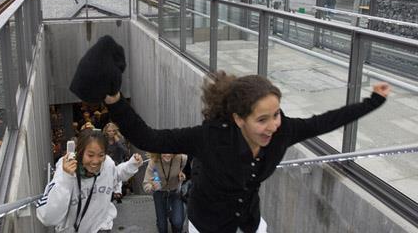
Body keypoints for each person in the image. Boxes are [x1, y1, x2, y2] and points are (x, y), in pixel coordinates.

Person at [103, 72, 390, 233]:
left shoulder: (283, 131)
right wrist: (115, 101)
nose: (272, 126)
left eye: (276, 114)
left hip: (250, 224)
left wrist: (373, 101)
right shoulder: (210, 137)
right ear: (239, 119)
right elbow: (149, 137)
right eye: (262, 120)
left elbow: (325, 121)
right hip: (208, 226)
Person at [36, 129, 143, 232]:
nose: (95, 161)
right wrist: (66, 178)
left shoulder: (107, 164)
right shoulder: (65, 168)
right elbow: (48, 218)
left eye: (101, 155)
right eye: (90, 155)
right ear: (80, 152)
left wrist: (131, 165)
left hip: (101, 228)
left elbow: (115, 175)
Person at [143, 153, 187, 233]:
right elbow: (145, 185)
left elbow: (183, 170)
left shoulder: (182, 158)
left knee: (177, 223)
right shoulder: (153, 162)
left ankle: (174, 215)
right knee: (162, 228)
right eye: (164, 152)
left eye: (170, 151)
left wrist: (182, 175)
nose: (167, 154)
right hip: (160, 194)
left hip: (175, 192)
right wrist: (152, 186)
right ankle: (165, 218)